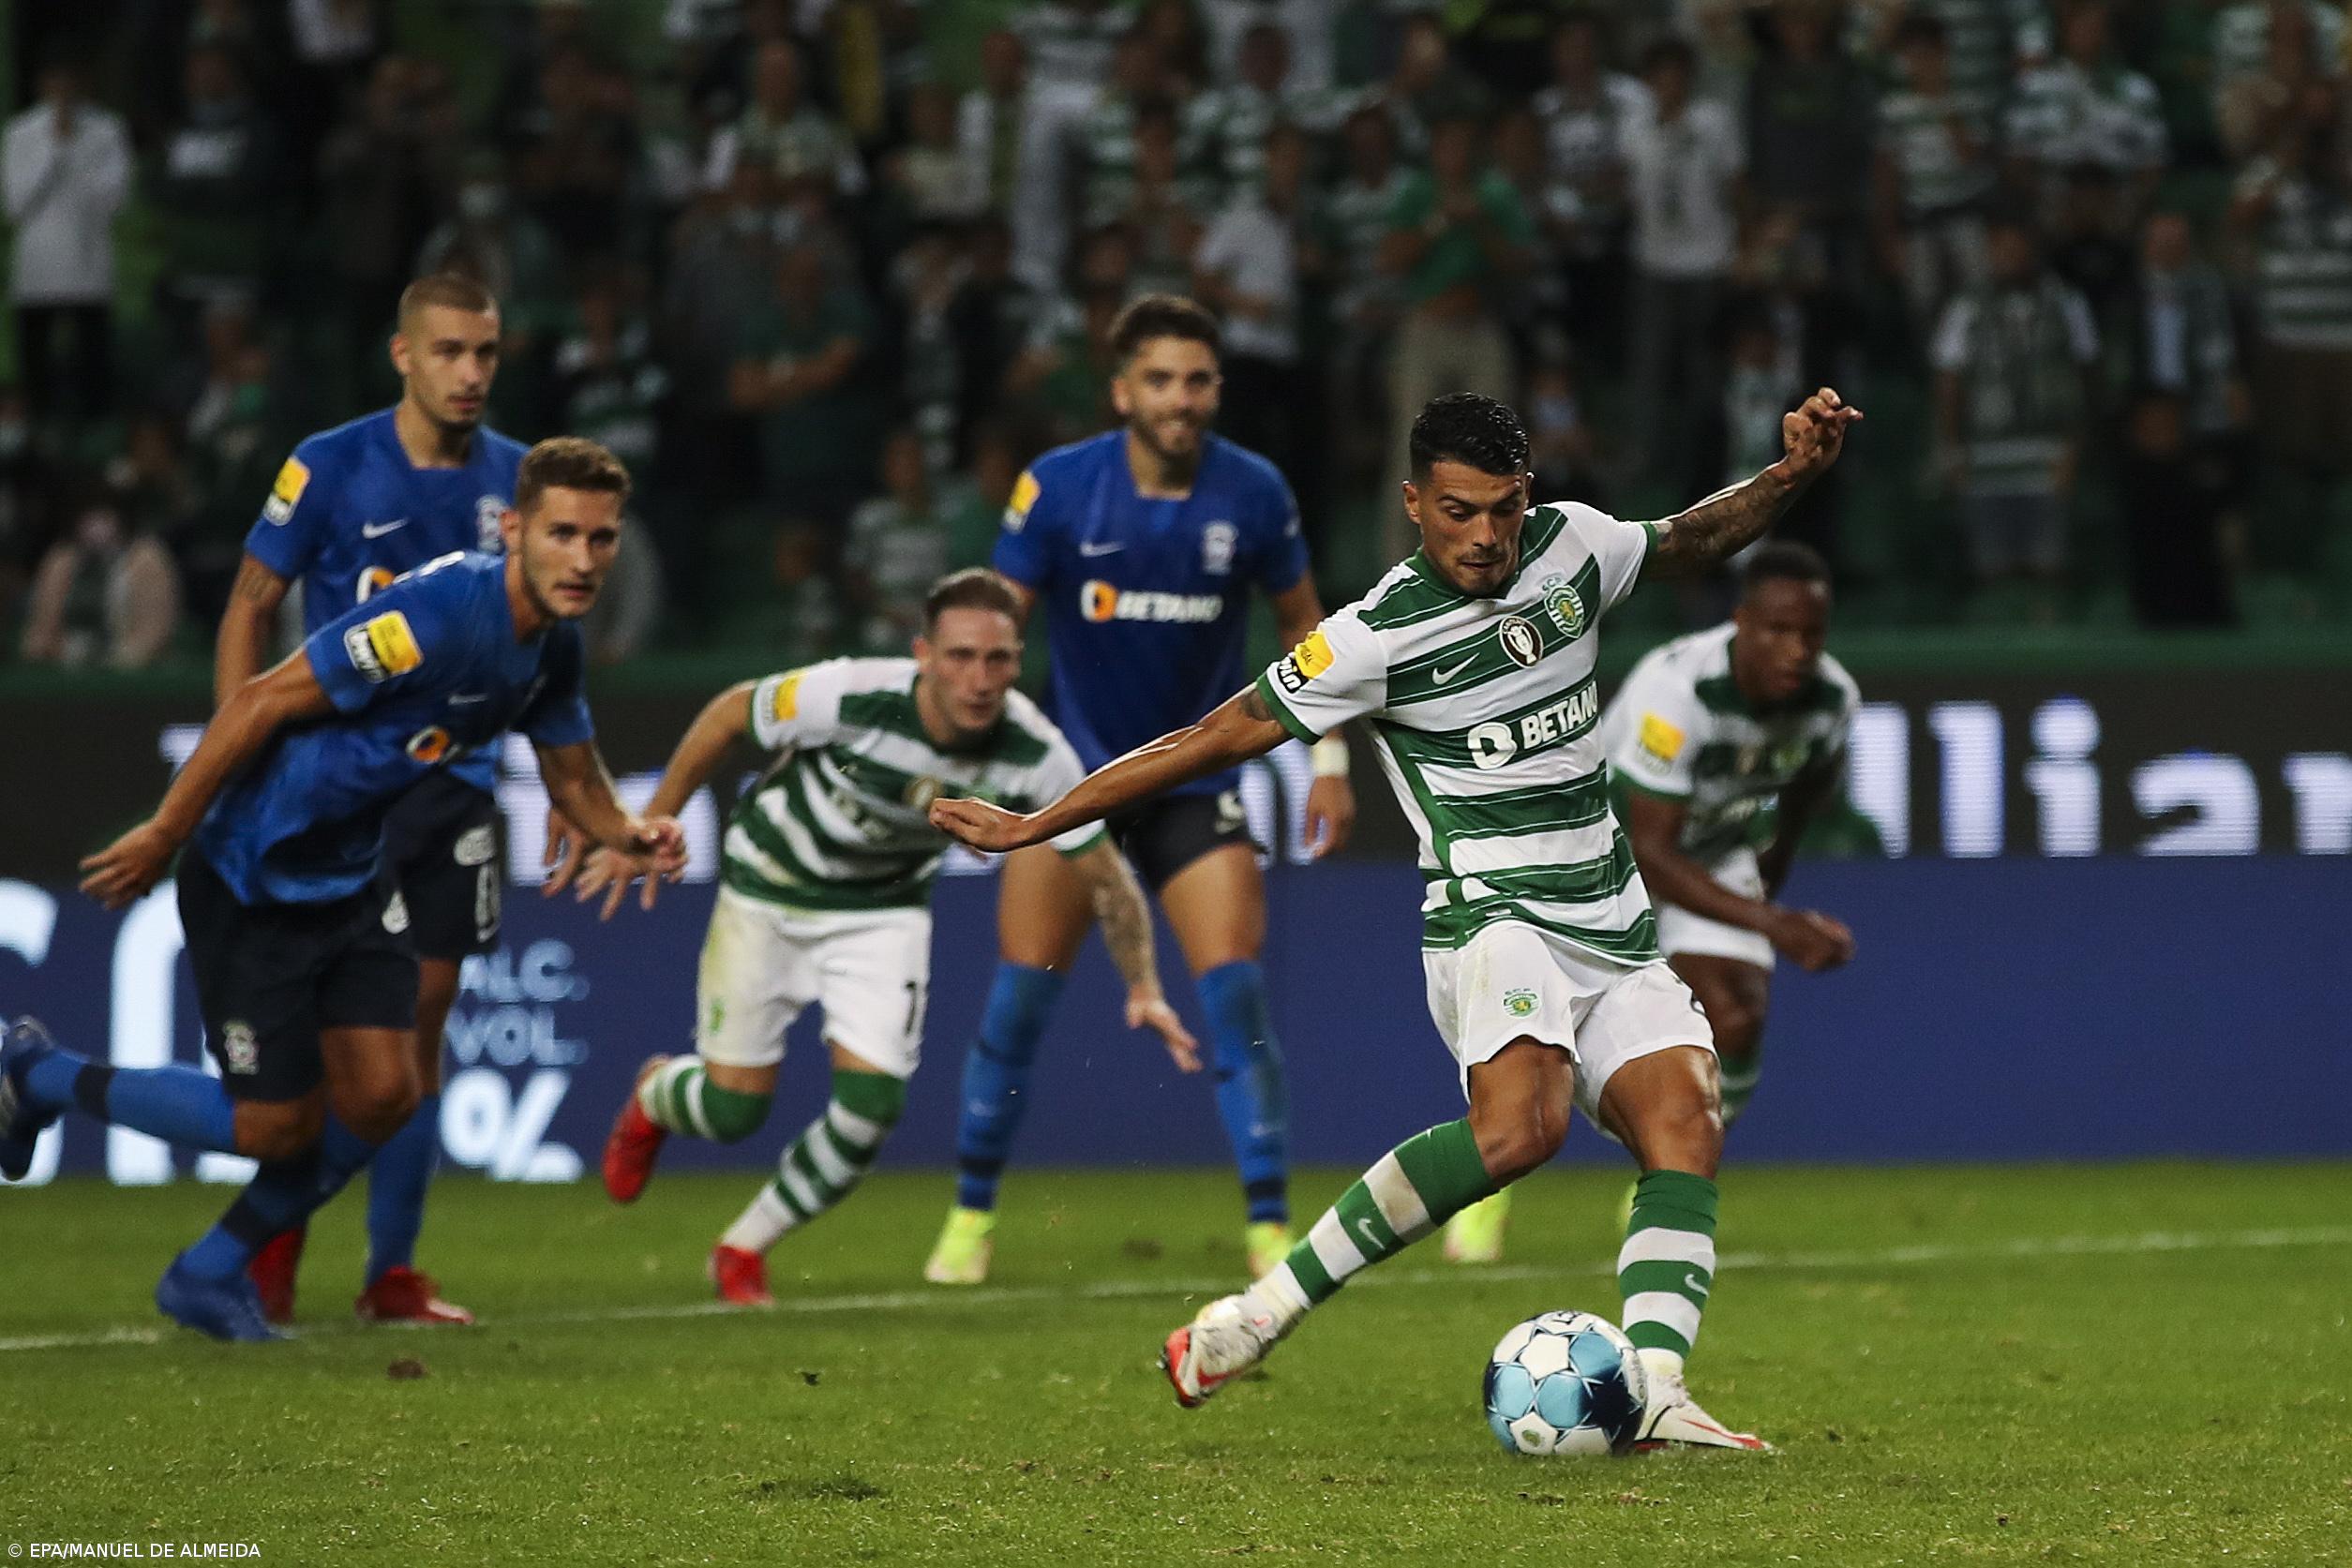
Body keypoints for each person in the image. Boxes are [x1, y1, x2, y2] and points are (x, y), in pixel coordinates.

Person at [931, 387, 1863, 1449]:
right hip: (1492, 913)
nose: (1484, 536)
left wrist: (1792, 474)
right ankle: (1252, 1316)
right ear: (1415, 503)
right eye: (1459, 511)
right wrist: (1042, 818)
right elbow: (1209, 735)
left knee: (1686, 1122)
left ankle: (1653, 1387)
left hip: (1610, 917)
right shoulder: (1371, 637)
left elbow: (1691, 535)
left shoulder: (1575, 549)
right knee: (1522, 1130)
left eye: (1503, 509)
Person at [0, 439, 685, 1342]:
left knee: (385, 1092)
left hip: (351, 878)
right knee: (272, 1128)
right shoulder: (438, 613)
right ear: (513, 528)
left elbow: (574, 781)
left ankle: (207, 1273)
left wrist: (633, 833)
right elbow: (260, 703)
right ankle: (37, 1073)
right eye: (564, 534)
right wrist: (167, 831)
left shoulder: (551, 648)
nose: (585, 558)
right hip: (256, 870)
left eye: (602, 540)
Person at [567, 569, 1196, 1306]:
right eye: (960, 656)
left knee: (871, 1110)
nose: (979, 678)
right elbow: (731, 712)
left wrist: (1144, 985)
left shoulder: (1034, 752)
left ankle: (742, 1246)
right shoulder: (854, 691)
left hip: (881, 911)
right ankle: (655, 1095)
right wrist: (651, 822)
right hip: (766, 889)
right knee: (734, 1110)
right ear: (923, 653)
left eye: (997, 659)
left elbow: (1105, 874)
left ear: (1017, 661)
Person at [922, 294, 1356, 1288]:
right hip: (1072, 784)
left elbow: (1307, 626)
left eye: (1198, 379)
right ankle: (968, 1218)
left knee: (1237, 991)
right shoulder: (1060, 488)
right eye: (1159, 379)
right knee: (1019, 1001)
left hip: (1196, 777)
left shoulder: (1252, 493)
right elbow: (995, 629)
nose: (1181, 398)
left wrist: (1329, 761)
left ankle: (1265, 1231)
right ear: (1122, 390)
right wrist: (961, 750)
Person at [212, 272, 527, 1327]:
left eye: (484, 353)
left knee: (417, 1035)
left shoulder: (520, 485)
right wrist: (239, 736)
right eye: (449, 352)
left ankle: (391, 1268)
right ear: (403, 354)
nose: (470, 372)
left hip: (455, 788)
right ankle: (266, 1255)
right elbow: (251, 602)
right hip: (338, 792)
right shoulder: (329, 463)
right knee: (316, 1051)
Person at [1443, 541, 1860, 1264]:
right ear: (1740, 623)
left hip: (1712, 852)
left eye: (1811, 635)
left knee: (1735, 1016)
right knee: (1538, 1037)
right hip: (1593, 856)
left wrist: (1778, 859)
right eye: (1778, 631)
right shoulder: (1678, 691)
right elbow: (1652, 850)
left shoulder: (1832, 700)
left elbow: (1811, 779)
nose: (1797, 651)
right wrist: (1774, 923)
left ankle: (1667, 1178)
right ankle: (1492, 1187)